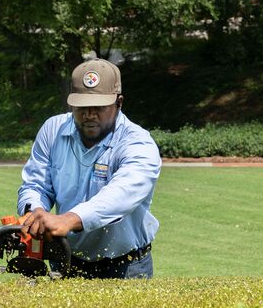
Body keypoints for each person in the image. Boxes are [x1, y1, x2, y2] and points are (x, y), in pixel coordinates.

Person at [18, 58, 161, 279]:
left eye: (99, 107)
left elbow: (120, 196)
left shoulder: (138, 143)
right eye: (82, 106)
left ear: (119, 103)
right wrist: (35, 212)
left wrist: (68, 220)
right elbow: (35, 185)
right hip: (65, 259)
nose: (89, 114)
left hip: (125, 267)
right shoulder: (53, 130)